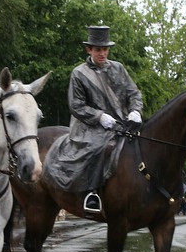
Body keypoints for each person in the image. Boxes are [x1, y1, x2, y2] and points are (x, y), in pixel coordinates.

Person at [42, 25, 143, 214]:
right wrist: (100, 116)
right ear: (89, 49)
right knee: (99, 147)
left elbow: (133, 93)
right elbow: (76, 105)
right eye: (98, 50)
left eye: (105, 49)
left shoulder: (119, 68)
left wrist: (135, 111)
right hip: (89, 125)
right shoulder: (79, 74)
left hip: (120, 122)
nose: (102, 53)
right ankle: (92, 194)